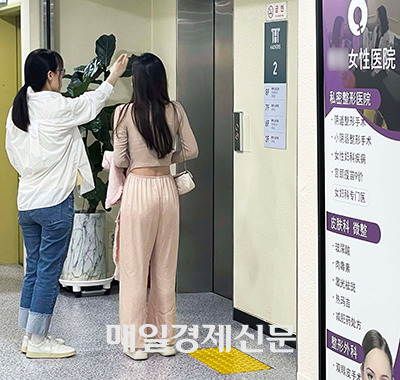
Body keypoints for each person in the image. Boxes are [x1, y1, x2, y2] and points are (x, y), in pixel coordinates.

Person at [5, 48, 128, 359]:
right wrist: (114, 73)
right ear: (50, 75)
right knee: (48, 272)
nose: (62, 77)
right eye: (59, 72)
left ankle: (30, 334)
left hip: (27, 201)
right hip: (53, 203)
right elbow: (90, 104)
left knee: (34, 269)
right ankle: (37, 341)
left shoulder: (18, 108)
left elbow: (15, 155)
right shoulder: (55, 106)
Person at [113, 53, 198, 360]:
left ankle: (135, 344)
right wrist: (165, 158)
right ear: (161, 79)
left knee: (135, 269)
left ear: (136, 82)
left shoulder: (124, 113)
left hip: (138, 189)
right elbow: (192, 150)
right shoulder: (175, 110)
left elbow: (121, 161)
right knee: (165, 269)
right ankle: (166, 341)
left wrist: (139, 159)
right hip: (167, 189)